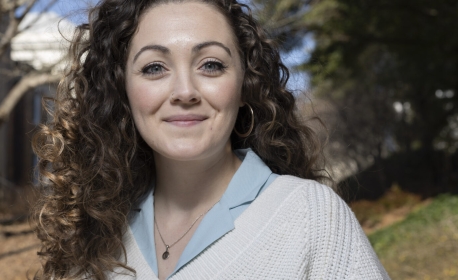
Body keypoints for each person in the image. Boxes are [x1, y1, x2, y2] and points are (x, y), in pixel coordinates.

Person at [32, 0, 389, 279]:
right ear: (122, 92)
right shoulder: (96, 232)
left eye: (211, 64)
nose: (185, 91)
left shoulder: (312, 216)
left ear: (245, 86)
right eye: (155, 67)